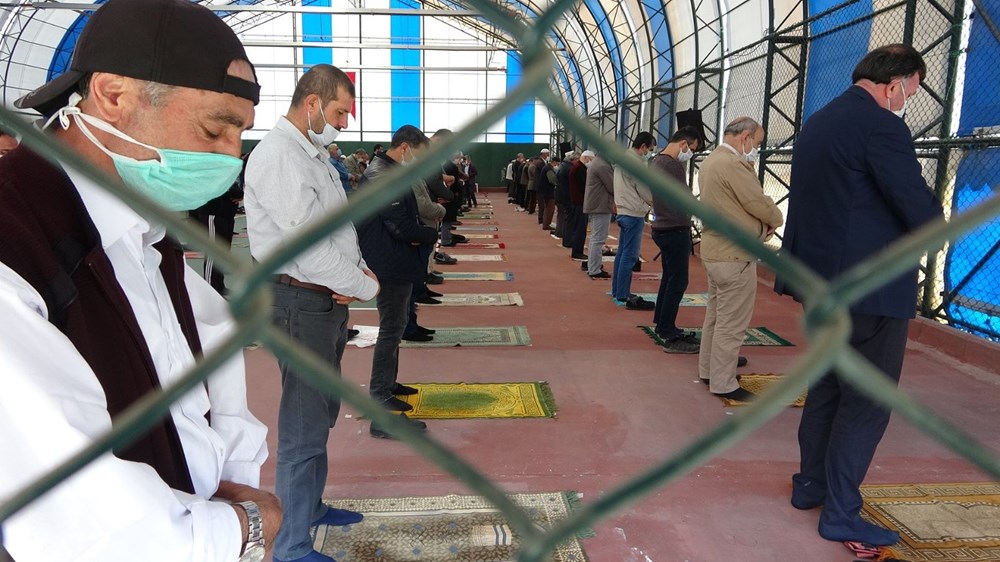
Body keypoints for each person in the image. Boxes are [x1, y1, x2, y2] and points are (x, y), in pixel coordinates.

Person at [0, 0, 280, 560]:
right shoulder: (17, 242)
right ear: (113, 95)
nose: (232, 155)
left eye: (240, 134)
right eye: (214, 128)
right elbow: (85, 525)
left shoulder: (142, 233)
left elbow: (212, 387)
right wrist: (247, 528)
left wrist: (230, 487)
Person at [775, 44, 943, 547]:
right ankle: (842, 513)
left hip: (820, 284)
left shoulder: (818, 122)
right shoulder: (882, 126)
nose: (907, 101)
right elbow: (917, 208)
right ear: (895, 86)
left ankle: (810, 485)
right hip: (870, 291)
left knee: (828, 386)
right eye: (911, 92)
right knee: (867, 398)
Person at [244, 64, 379, 562]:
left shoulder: (310, 154)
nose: (343, 124)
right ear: (312, 103)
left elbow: (336, 231)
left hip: (321, 301)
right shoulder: (280, 156)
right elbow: (307, 247)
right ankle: (291, 545)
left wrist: (354, 272)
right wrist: (362, 285)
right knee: (302, 425)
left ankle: (311, 508)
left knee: (320, 412)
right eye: (340, 112)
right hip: (298, 301)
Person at [354, 125, 437, 438]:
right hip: (387, 262)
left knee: (397, 324)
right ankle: (380, 400)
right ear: (405, 148)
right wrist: (429, 235)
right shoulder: (383, 175)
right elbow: (399, 226)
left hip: (392, 259)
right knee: (391, 328)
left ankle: (388, 386)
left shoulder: (388, 171)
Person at [697, 116, 783, 401]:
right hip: (735, 254)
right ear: (745, 137)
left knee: (715, 316)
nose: (756, 149)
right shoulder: (733, 164)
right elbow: (756, 201)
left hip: (715, 250)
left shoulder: (711, 161)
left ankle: (708, 370)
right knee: (732, 323)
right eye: (756, 143)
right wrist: (775, 220)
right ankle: (724, 382)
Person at [649, 127, 701, 353]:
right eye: (692, 149)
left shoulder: (656, 161)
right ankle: (668, 332)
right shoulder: (672, 165)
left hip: (662, 227)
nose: (691, 154)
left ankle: (662, 324)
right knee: (678, 282)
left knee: (669, 278)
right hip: (675, 228)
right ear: (683, 144)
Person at [612, 131, 657, 309]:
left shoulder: (623, 160)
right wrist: (655, 202)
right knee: (629, 256)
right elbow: (644, 189)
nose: (649, 154)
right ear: (643, 146)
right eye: (650, 150)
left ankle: (617, 290)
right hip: (633, 213)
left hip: (623, 210)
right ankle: (623, 294)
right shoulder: (635, 163)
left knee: (622, 254)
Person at [188, 157, 245, 295]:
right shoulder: (209, 164)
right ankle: (210, 289)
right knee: (213, 253)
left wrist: (239, 192)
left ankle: (219, 285)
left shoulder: (228, 163)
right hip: (213, 213)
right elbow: (219, 186)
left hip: (227, 212)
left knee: (223, 252)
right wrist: (237, 192)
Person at [582, 153, 614, 279]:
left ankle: (593, 266)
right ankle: (594, 269)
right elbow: (612, 186)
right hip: (600, 205)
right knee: (598, 239)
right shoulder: (602, 166)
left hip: (596, 204)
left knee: (595, 238)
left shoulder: (597, 163)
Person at [568, 150, 593, 261]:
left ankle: (577, 250)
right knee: (580, 229)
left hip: (577, 201)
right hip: (580, 202)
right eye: (591, 160)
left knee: (578, 228)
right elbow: (584, 186)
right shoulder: (579, 168)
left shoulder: (576, 167)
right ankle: (577, 252)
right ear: (586, 158)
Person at [537, 155, 559, 230]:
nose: (557, 165)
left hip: (544, 191)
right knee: (550, 208)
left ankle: (546, 223)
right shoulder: (548, 169)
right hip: (548, 191)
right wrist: (557, 182)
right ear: (554, 162)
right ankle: (546, 224)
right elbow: (552, 180)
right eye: (557, 163)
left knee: (547, 208)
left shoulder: (546, 167)